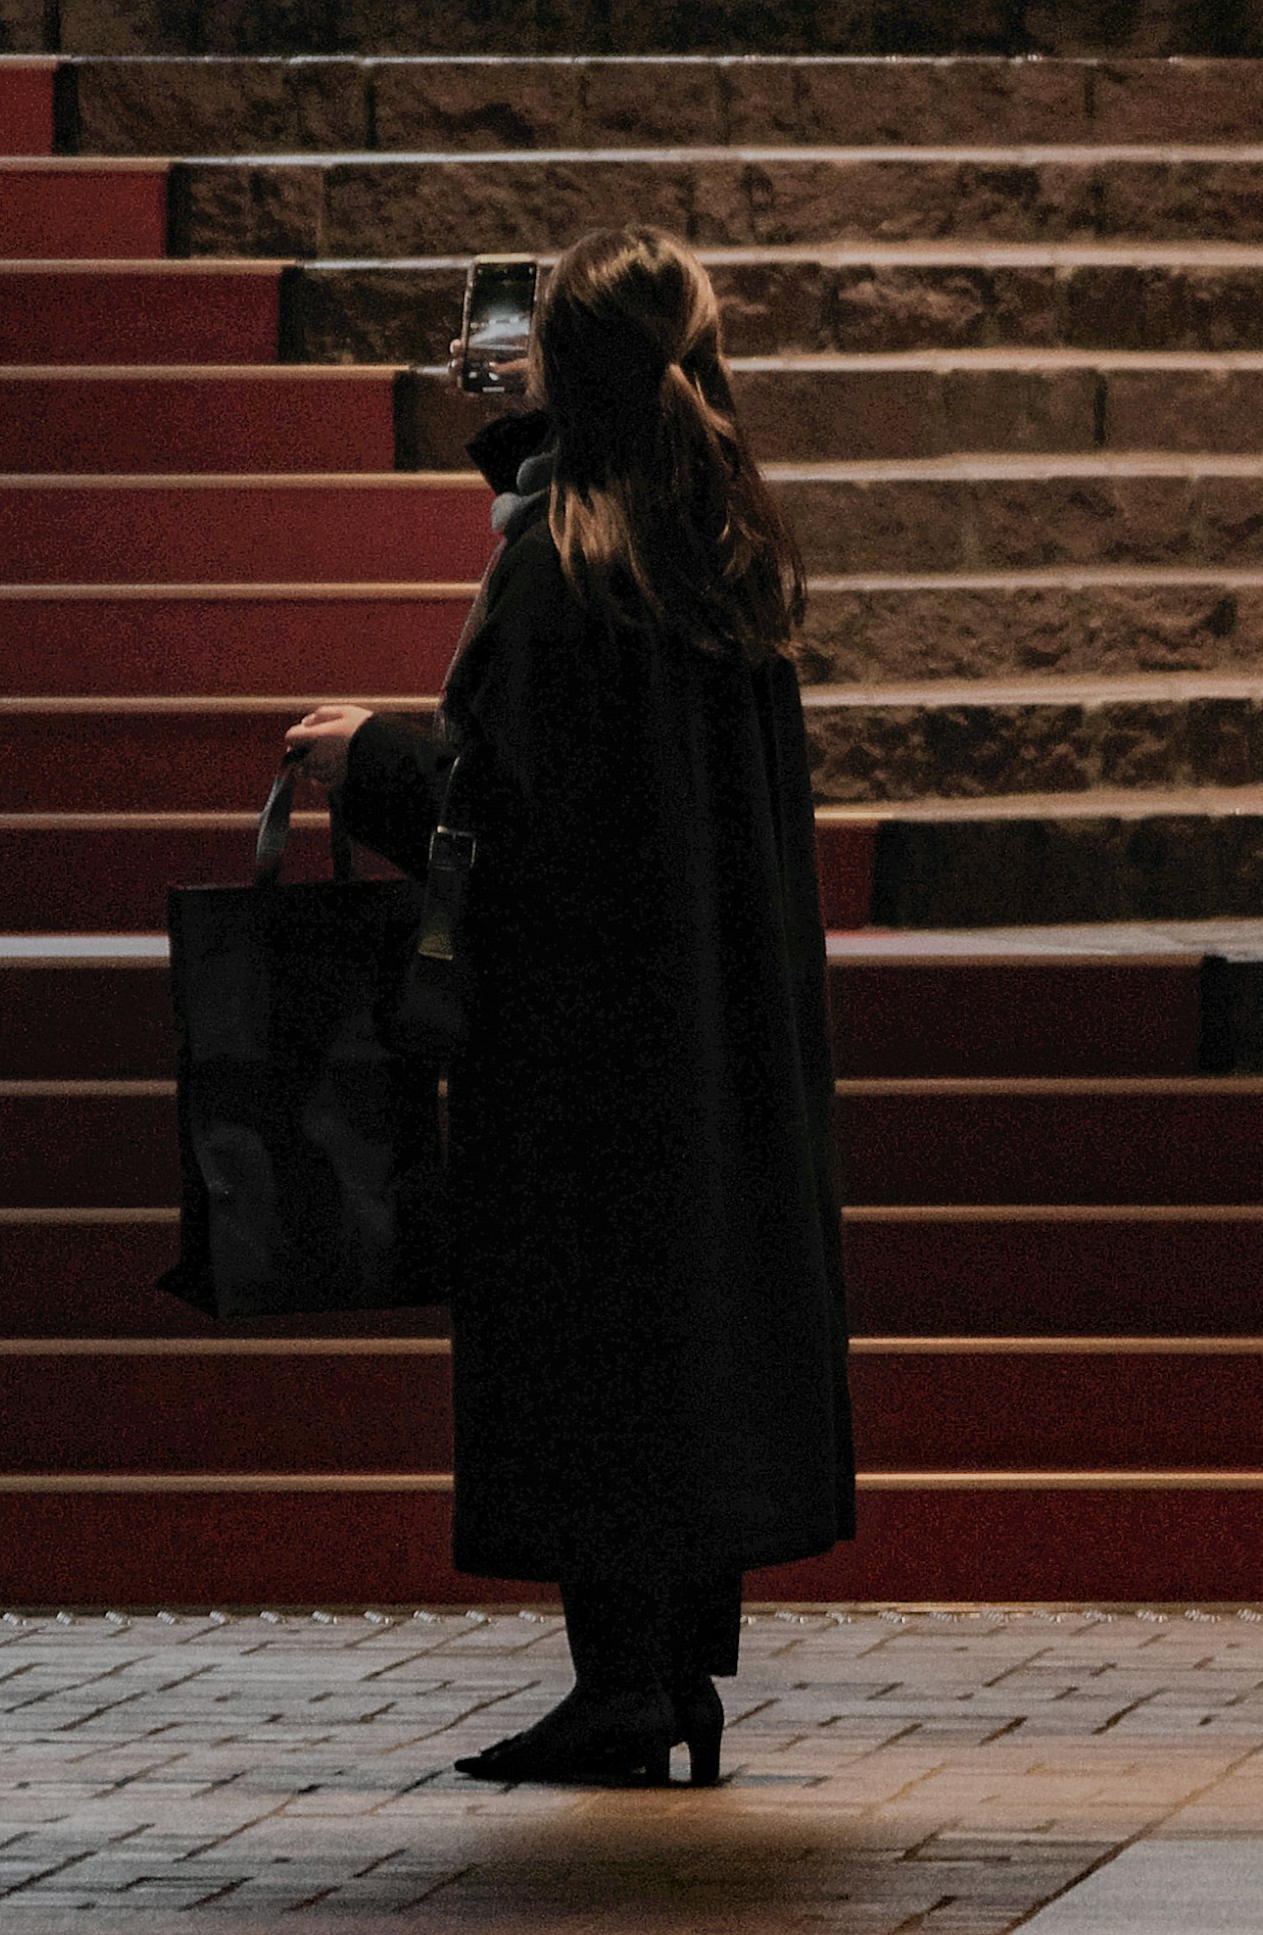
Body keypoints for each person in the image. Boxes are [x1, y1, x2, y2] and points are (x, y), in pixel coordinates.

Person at [282, 226, 852, 1790]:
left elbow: (504, 812)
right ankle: (679, 1677)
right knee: (692, 1347)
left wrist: (368, 755)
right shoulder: (727, 554)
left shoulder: (560, 562)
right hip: (715, 1046)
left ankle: (619, 1687)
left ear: (567, 369)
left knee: (599, 1348)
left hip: (587, 1053)